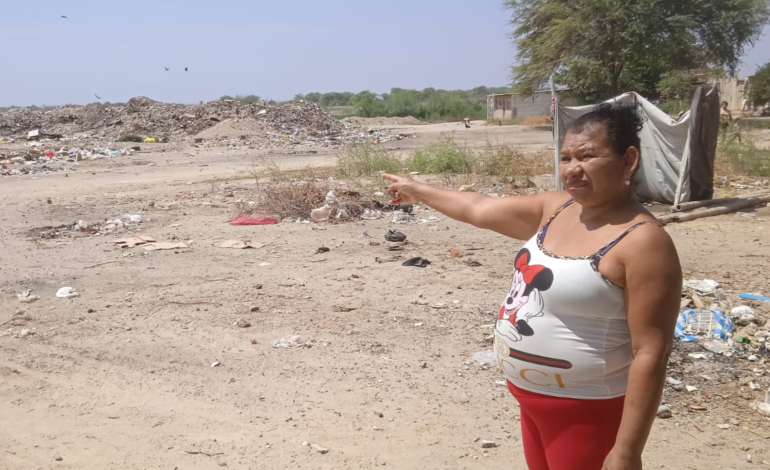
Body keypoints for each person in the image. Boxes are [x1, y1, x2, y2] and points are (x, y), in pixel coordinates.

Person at [383, 103, 682, 470]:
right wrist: (418, 190)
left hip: (586, 411)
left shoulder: (642, 242)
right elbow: (478, 208)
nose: (573, 169)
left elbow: (651, 352)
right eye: (566, 157)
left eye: (588, 156)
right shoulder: (554, 208)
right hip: (531, 402)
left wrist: (626, 451)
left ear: (628, 160)